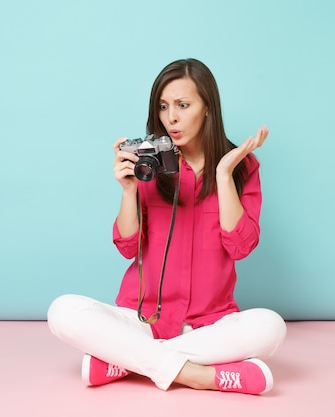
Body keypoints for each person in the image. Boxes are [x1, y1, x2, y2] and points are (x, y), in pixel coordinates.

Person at [47, 58, 286, 395]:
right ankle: (203, 376)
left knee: (270, 327)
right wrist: (130, 191)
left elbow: (240, 247)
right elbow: (128, 247)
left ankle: (127, 362)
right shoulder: (151, 163)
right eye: (163, 107)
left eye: (183, 105)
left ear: (207, 108)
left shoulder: (240, 165)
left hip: (209, 326)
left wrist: (222, 175)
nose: (170, 117)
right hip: (142, 321)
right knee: (63, 311)